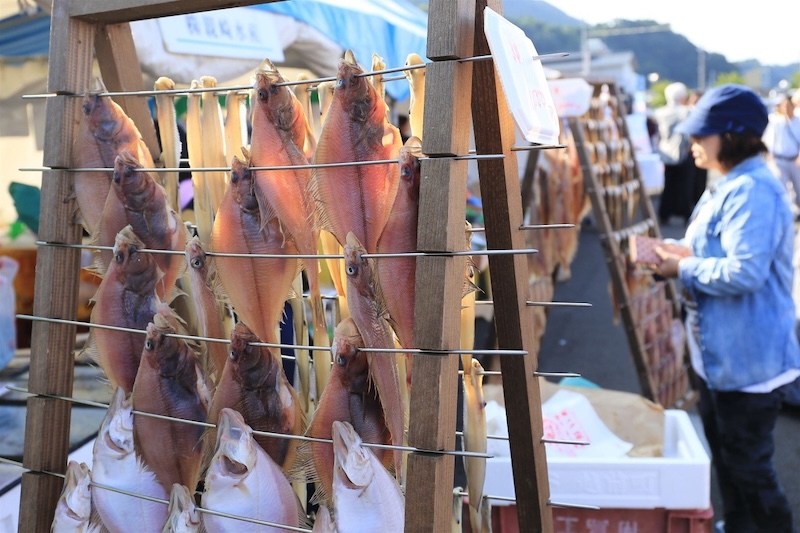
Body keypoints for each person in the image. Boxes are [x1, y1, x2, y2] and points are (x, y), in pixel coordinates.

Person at [652, 84, 800, 533]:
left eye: (703, 133)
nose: (693, 141)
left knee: (750, 468)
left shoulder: (752, 190)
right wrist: (675, 253)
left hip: (748, 361)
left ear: (732, 135)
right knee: (730, 458)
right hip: (722, 355)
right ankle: (737, 525)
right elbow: (716, 252)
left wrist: (682, 267)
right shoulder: (731, 182)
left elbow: (744, 272)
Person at [655, 82, 693, 224]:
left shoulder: (660, 112)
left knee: (668, 185)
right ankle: (685, 214)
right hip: (682, 151)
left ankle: (664, 214)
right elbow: (689, 133)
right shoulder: (686, 112)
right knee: (685, 186)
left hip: (666, 153)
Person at [763, 92, 800, 213]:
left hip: (795, 159)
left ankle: (797, 209)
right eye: (785, 106)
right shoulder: (777, 122)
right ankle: (787, 211)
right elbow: (770, 139)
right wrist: (771, 154)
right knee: (782, 187)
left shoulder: (798, 121)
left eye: (789, 106)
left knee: (798, 187)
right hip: (780, 160)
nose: (787, 109)